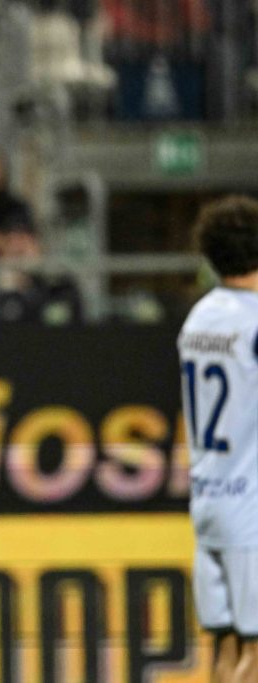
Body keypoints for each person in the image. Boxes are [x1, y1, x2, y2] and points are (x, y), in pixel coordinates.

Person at [178, 195, 258, 683]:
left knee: (225, 648)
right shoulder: (254, 320)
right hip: (251, 508)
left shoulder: (199, 318)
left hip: (208, 500)